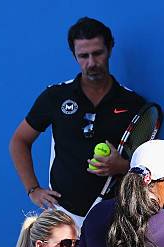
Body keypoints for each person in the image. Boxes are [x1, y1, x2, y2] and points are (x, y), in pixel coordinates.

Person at [9, 17, 146, 229]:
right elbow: (19, 140)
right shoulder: (55, 96)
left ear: (110, 48)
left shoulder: (133, 103)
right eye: (83, 56)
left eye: (97, 53)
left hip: (115, 216)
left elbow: (144, 167)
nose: (91, 63)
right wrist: (33, 189)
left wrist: (122, 166)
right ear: (74, 55)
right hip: (64, 217)